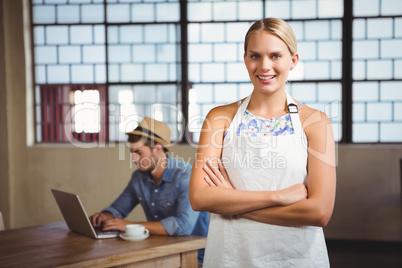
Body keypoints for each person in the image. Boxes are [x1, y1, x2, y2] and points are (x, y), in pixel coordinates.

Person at [189, 18, 336, 267]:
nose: (265, 66)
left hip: (296, 257)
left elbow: (319, 212)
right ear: (245, 58)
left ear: (293, 61)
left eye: (276, 55)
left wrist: (230, 200)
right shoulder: (219, 118)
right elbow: (199, 198)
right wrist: (279, 196)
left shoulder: (315, 122)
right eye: (255, 56)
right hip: (231, 256)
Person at [90, 117, 209, 266]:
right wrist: (105, 216)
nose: (133, 158)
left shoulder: (187, 176)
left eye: (138, 152)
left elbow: (183, 226)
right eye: (132, 152)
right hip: (159, 253)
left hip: (193, 258)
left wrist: (130, 226)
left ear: (158, 149)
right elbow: (118, 208)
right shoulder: (138, 178)